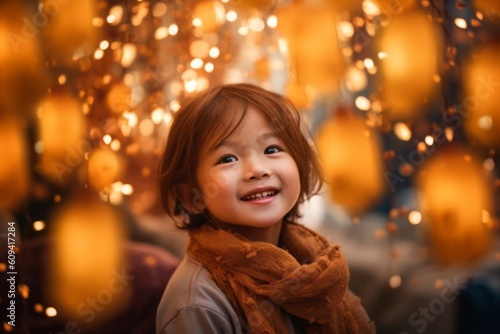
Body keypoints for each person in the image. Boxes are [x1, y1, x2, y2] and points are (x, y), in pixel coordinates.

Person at [156, 83, 375, 334]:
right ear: (192, 195)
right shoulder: (198, 306)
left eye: (272, 149)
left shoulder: (317, 270)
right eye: (228, 159)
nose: (257, 169)